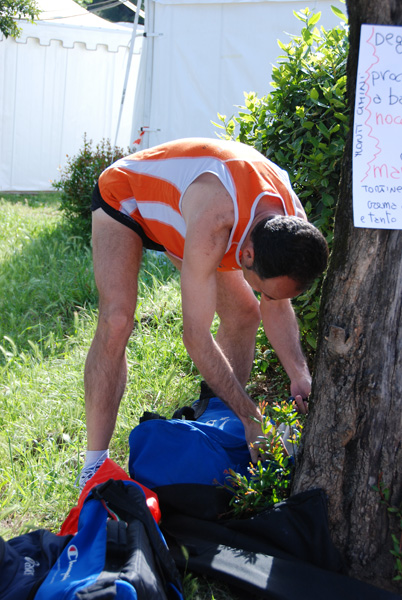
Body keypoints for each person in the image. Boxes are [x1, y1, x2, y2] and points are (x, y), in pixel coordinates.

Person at [79, 137, 328, 489]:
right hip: (127, 198)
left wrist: (299, 374)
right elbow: (196, 335)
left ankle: (218, 419)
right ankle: (93, 466)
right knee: (117, 320)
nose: (270, 298)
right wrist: (251, 413)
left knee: (244, 314)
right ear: (247, 256)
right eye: (267, 291)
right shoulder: (216, 220)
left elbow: (276, 305)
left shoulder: (291, 224)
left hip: (185, 215)